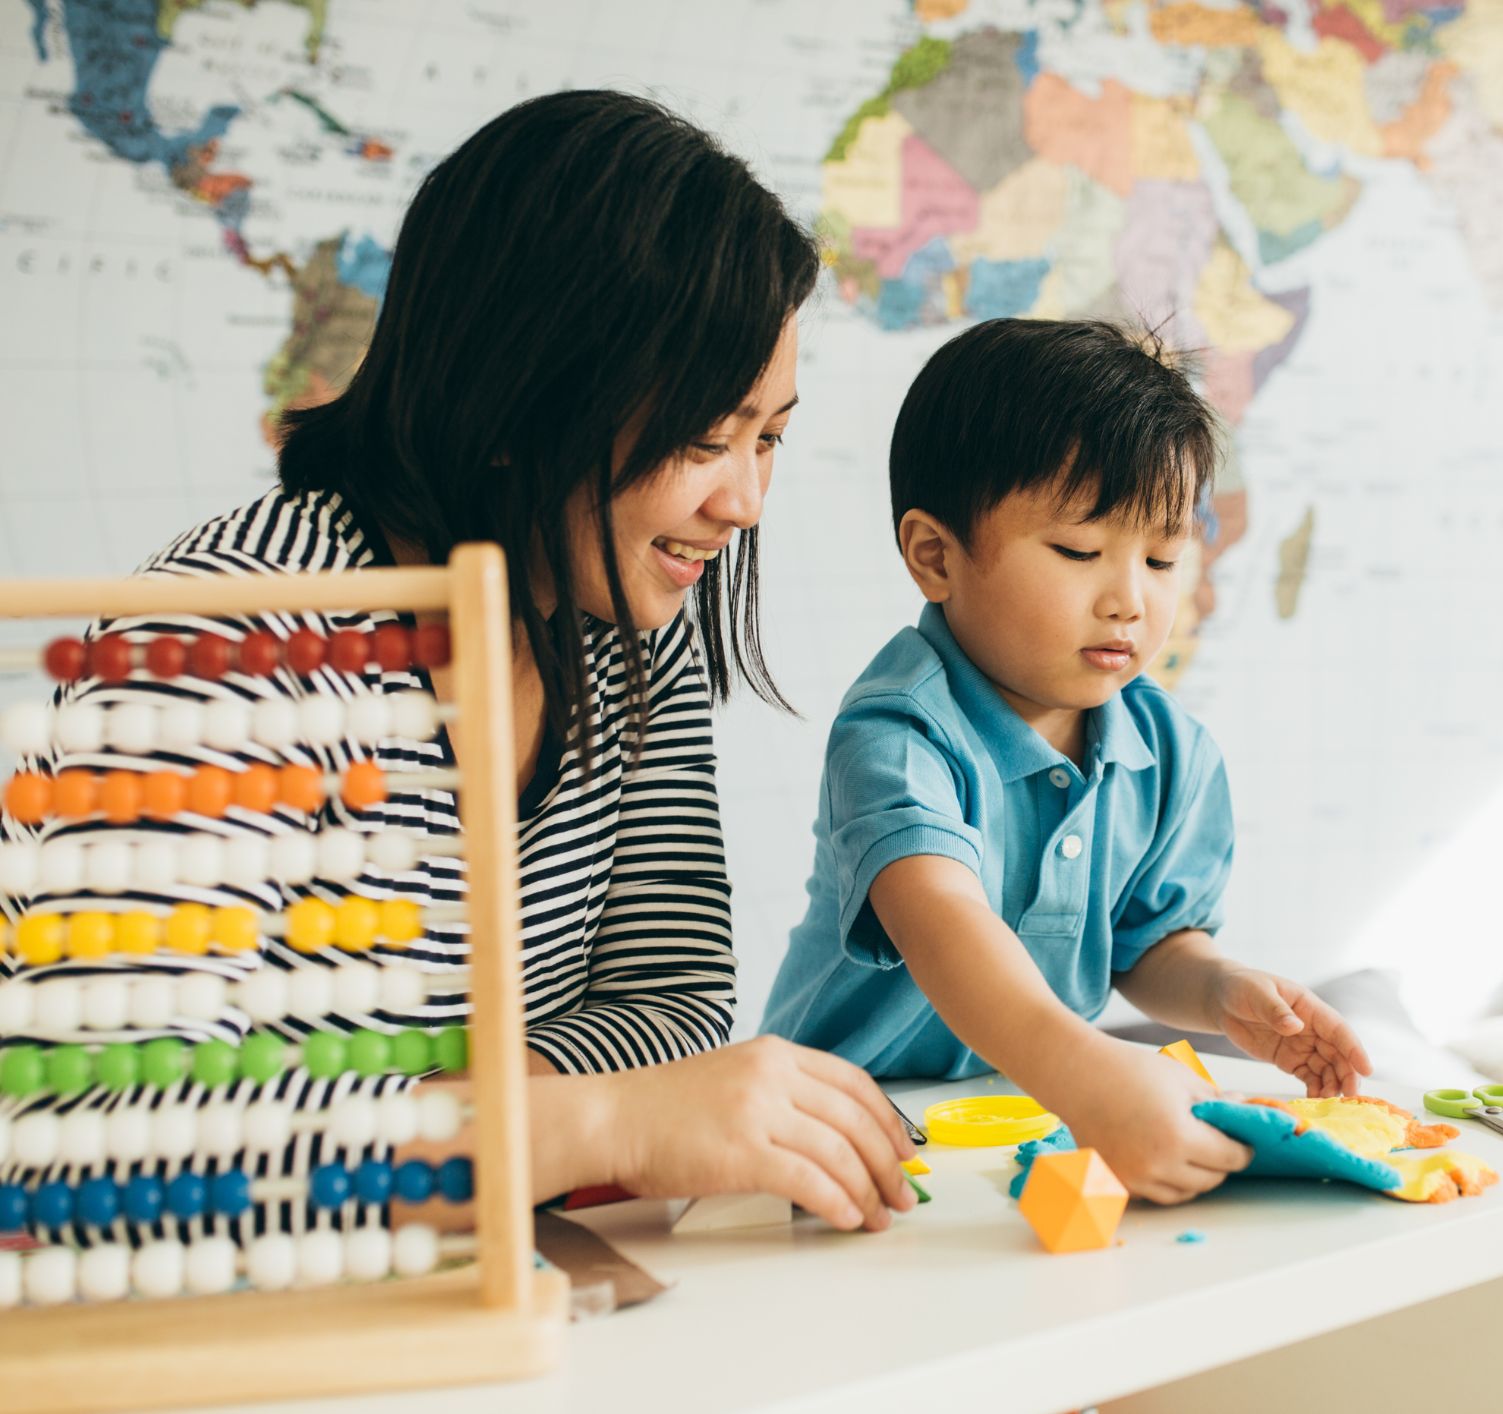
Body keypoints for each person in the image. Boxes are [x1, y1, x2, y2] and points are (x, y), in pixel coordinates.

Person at [0, 91, 915, 1245]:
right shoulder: (225, 646)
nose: (742, 502)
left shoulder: (632, 625)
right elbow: (88, 1135)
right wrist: (582, 1126)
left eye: (767, 436)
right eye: (702, 437)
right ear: (521, 400)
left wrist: (473, 1123)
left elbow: (675, 1008)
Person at [760, 319, 1373, 1205]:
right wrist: (1091, 1075)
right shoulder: (896, 732)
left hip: (1026, 1121)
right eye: (1081, 552)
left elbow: (1146, 943)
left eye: (1162, 557)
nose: (1130, 598)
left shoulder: (1167, 751)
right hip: (845, 1133)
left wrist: (1221, 991)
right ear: (936, 555)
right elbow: (946, 928)